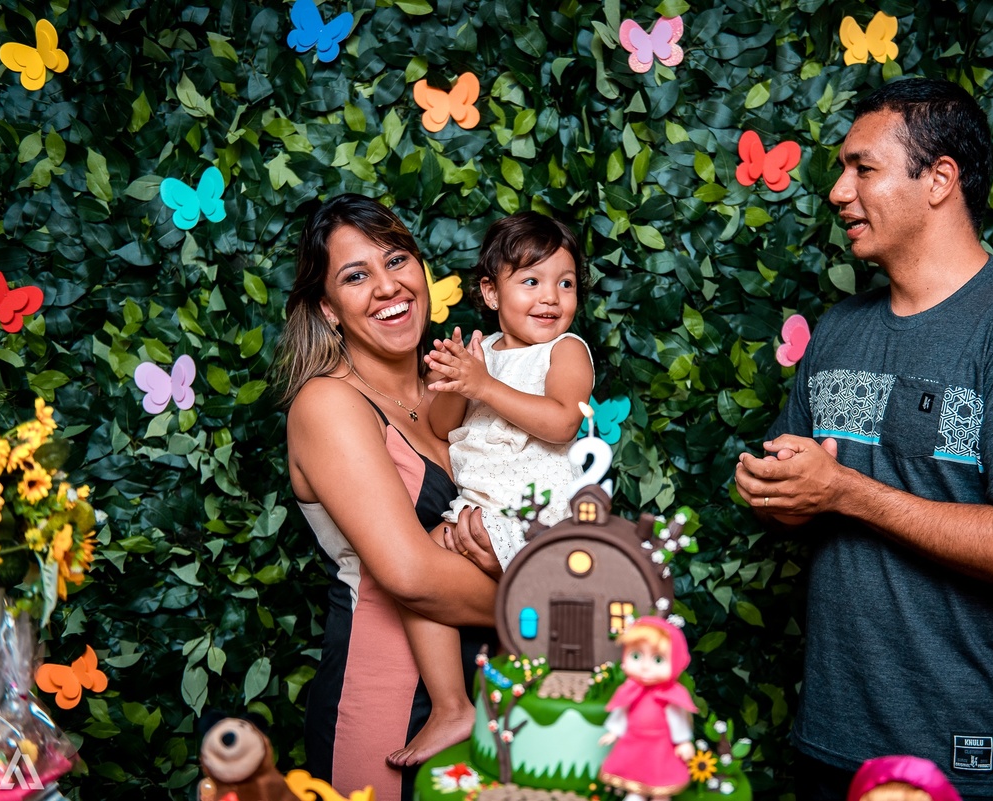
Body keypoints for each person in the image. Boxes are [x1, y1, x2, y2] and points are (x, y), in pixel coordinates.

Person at [734, 78, 993, 800]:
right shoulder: (839, 330)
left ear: (939, 180)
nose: (838, 191)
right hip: (832, 735)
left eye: (862, 168)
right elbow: (798, 498)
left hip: (960, 752)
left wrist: (847, 492)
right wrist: (775, 491)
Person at [278, 193, 500, 801]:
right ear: (328, 309)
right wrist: (549, 605)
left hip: (494, 694)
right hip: (388, 709)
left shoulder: (453, 388)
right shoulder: (328, 404)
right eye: (356, 276)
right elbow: (411, 575)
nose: (386, 286)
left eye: (397, 260)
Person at [385, 211, 595, 767]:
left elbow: (561, 422)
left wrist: (484, 385)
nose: (550, 297)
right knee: (416, 573)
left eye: (565, 283)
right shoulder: (484, 354)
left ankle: (533, 722)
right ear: (490, 292)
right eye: (531, 281)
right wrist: (454, 383)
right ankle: (455, 707)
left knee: (526, 630)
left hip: (536, 513)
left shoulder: (565, 350)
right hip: (478, 508)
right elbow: (441, 428)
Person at [597, 616, 697, 801]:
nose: (645, 667)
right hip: (634, 741)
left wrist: (683, 741)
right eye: (636, 656)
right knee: (635, 772)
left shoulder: (670, 695)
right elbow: (623, 711)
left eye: (658, 659)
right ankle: (636, 794)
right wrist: (614, 731)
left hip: (660, 745)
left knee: (660, 777)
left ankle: (660, 797)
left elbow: (677, 720)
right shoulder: (631, 690)